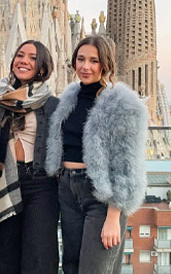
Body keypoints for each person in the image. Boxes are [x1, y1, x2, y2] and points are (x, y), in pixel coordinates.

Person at [46, 35, 147, 274]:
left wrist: (114, 215)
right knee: (71, 266)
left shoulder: (123, 104)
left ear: (106, 64)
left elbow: (127, 164)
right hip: (68, 189)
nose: (85, 66)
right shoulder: (69, 98)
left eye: (94, 60)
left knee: (94, 269)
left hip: (100, 196)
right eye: (81, 59)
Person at [0, 40, 59, 274]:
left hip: (40, 184)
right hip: (6, 182)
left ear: (43, 66)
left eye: (32, 57)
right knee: (6, 254)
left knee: (39, 255)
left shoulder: (52, 104)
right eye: (20, 55)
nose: (24, 60)